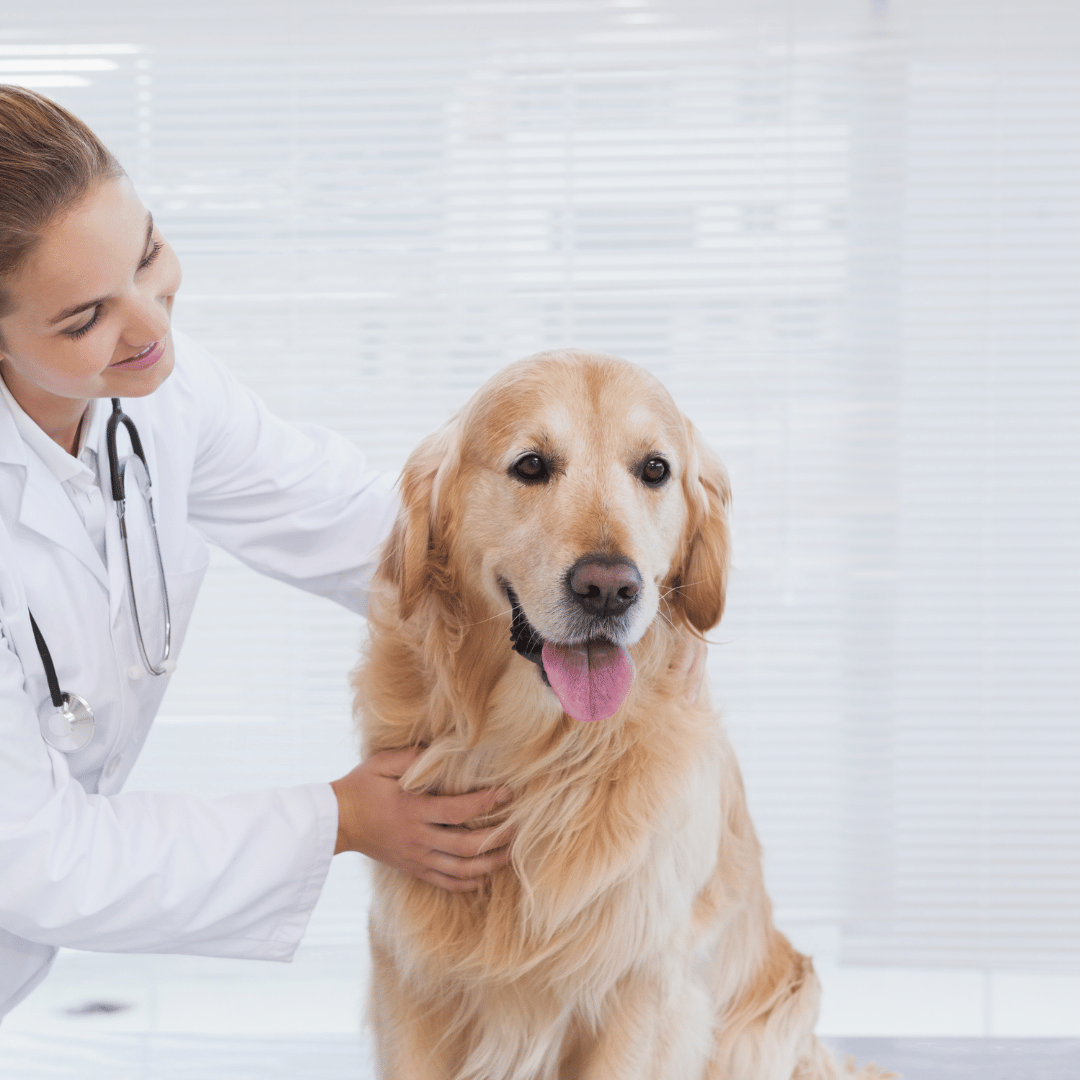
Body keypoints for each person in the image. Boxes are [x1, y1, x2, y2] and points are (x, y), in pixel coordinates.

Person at [0, 85, 515, 1020]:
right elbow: (40, 858)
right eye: (84, 320)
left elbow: (351, 525)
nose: (152, 327)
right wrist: (343, 819)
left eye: (149, 254)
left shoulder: (157, 387)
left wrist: (546, 585)